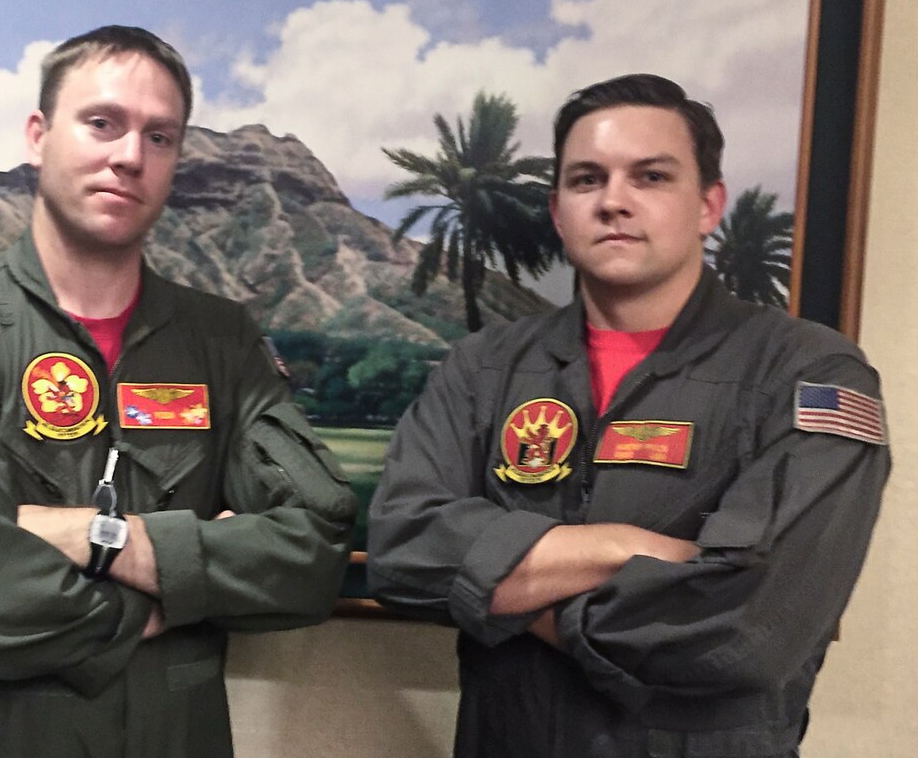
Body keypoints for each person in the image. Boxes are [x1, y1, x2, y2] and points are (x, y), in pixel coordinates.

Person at [0, 25, 356, 758]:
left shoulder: (223, 342)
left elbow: (313, 551)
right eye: (103, 123)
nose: (130, 156)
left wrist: (95, 537)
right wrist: (179, 591)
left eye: (160, 137)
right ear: (38, 135)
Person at [367, 74, 889, 758]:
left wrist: (500, 591)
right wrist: (625, 549)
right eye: (587, 179)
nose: (614, 201)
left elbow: (749, 629)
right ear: (558, 212)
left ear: (708, 205)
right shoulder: (483, 366)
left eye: (650, 176)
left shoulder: (809, 372)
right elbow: (402, 551)